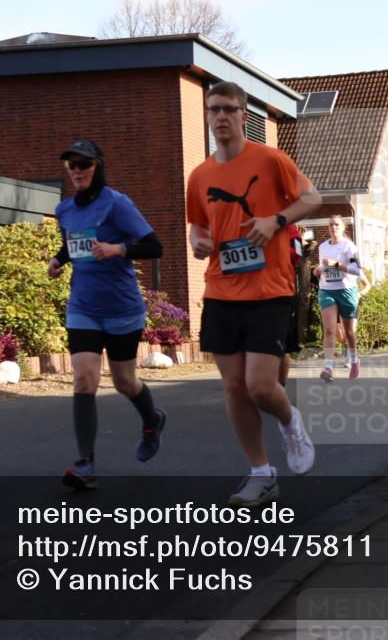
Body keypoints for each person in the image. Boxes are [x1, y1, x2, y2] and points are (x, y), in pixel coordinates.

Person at [187, 81, 321, 508]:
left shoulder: (270, 159)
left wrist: (276, 220)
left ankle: (289, 421)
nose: (220, 116)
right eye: (213, 110)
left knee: (261, 387)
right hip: (221, 289)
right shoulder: (200, 175)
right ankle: (262, 473)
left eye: (228, 109)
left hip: (269, 289)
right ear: (207, 117)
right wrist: (197, 241)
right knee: (235, 390)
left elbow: (312, 197)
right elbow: (197, 224)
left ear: (244, 116)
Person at [48, 139, 168, 489]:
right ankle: (86, 463)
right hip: (83, 307)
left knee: (124, 382)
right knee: (84, 379)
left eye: (83, 164)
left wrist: (118, 249)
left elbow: (154, 245)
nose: (77, 171)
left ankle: (151, 420)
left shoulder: (117, 204)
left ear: (98, 165)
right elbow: (75, 243)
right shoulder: (65, 210)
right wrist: (60, 259)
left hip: (121, 308)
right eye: (72, 165)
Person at [314, 215, 363, 381]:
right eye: (330, 225)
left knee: (349, 332)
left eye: (336, 225)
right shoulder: (322, 247)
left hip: (346, 290)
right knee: (329, 330)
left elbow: (356, 270)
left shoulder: (349, 246)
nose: (333, 227)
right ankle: (328, 368)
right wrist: (318, 270)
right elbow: (323, 266)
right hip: (327, 290)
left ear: (343, 228)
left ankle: (355, 360)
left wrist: (336, 264)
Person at [279, 224, 304, 387]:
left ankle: (280, 385)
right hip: (247, 292)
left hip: (280, 292)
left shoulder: (288, 224)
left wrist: (271, 248)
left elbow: (297, 254)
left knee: (281, 344)